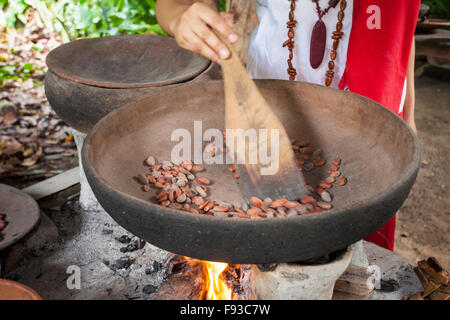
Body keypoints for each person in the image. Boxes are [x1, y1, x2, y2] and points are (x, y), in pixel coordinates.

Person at [156, 0, 421, 251]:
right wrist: (180, 19)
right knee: (262, 247)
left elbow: (401, 32)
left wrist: (408, 114)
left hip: (367, 126)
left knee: (357, 255)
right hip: (266, 114)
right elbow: (170, 5)